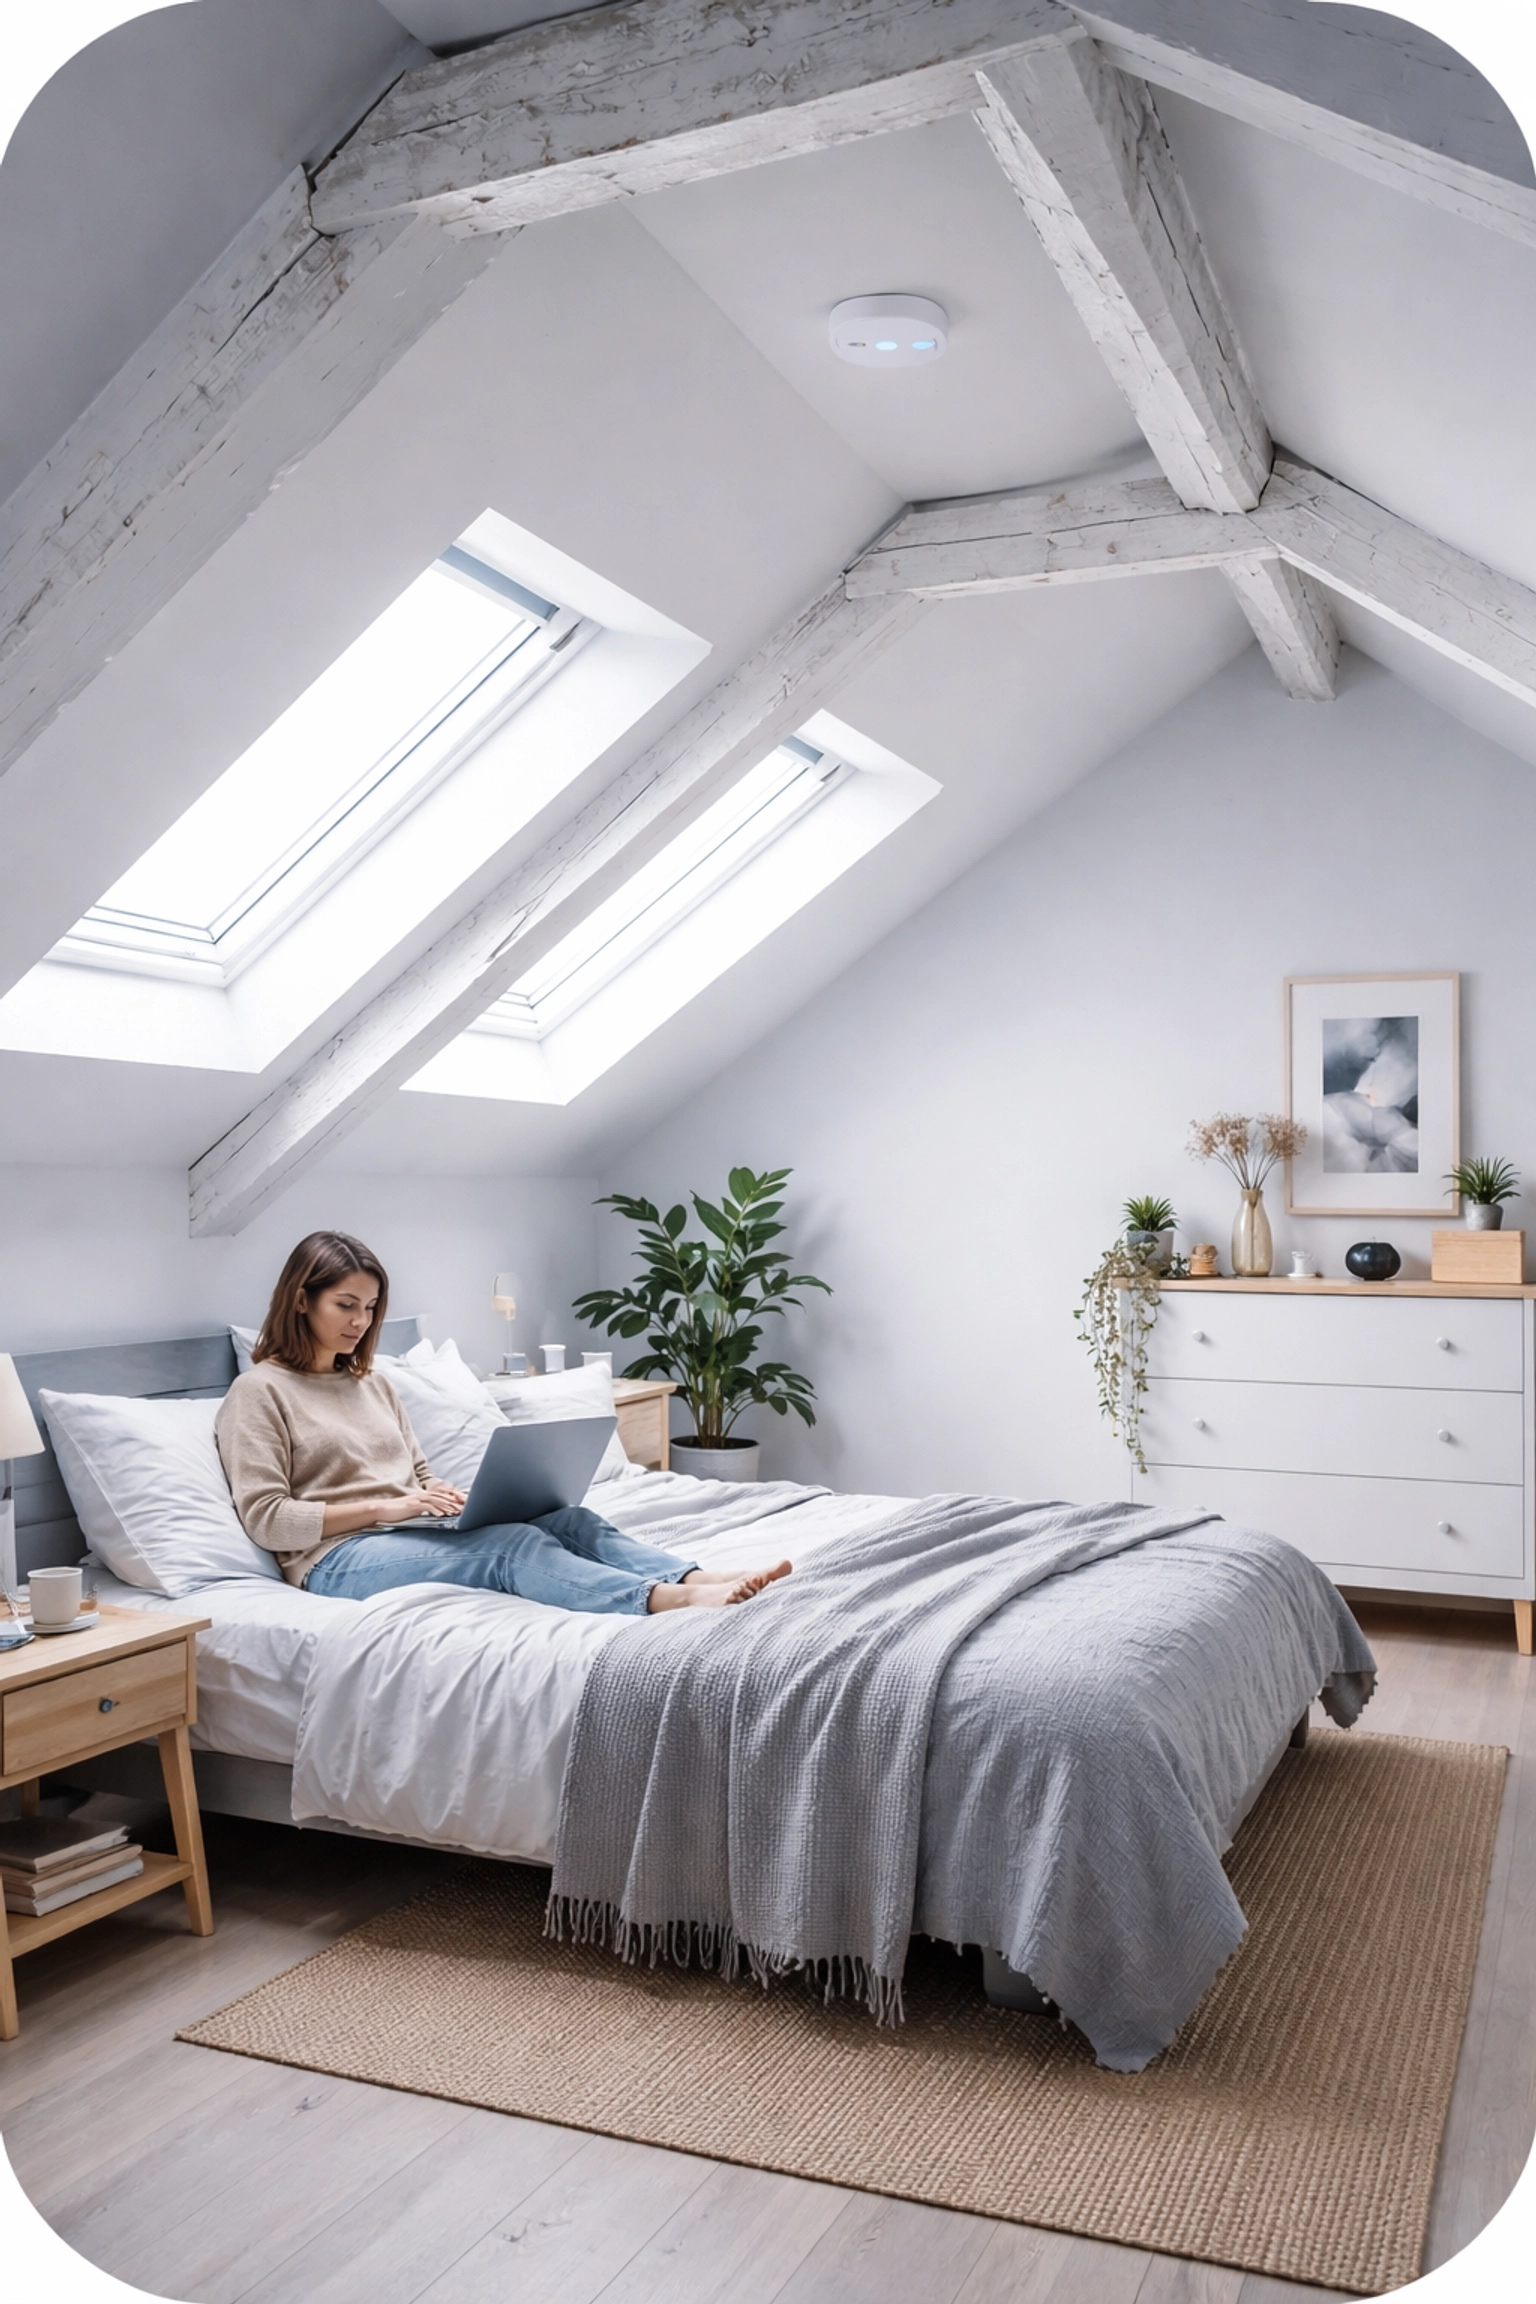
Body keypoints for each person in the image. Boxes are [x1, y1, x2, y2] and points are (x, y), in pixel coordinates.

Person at [214, 1231, 788, 1615]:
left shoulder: (373, 1383)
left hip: (405, 1532)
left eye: (370, 1308)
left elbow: (415, 1471)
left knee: (566, 1518)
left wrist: (436, 1494)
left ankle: (695, 1577)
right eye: (346, 1305)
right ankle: (663, 1600)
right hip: (334, 1559)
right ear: (300, 1300)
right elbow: (268, 1522)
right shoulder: (259, 1392)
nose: (362, 1322)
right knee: (510, 1547)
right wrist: (387, 1508)